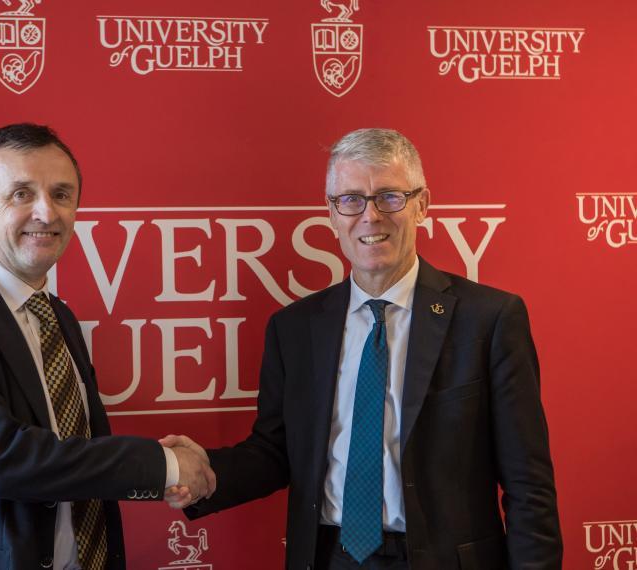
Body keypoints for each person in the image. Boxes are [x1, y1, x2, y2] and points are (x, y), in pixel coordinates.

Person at [163, 128, 562, 569]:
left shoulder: (489, 319)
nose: (370, 216)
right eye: (351, 199)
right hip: (330, 557)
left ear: (422, 206)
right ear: (332, 214)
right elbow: (275, 453)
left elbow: (529, 486)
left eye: (389, 196)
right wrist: (206, 474)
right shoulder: (293, 330)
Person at [0, 123, 214, 570]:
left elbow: (79, 454)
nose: (46, 212)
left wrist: (162, 477)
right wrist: (163, 466)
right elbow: (0, 460)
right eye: (22, 194)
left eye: (61, 194)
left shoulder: (58, 316)